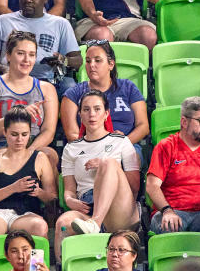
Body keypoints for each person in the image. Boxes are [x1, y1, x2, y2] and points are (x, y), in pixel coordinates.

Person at [54, 90, 141, 258]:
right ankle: (62, 266)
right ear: (80, 114)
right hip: (86, 205)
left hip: (119, 209)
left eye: (97, 109)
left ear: (106, 113)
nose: (91, 114)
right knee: (63, 224)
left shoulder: (121, 142)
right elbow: (69, 190)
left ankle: (95, 222)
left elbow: (134, 186)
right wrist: (70, 200)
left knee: (108, 162)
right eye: (86, 110)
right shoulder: (71, 149)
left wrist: (104, 165)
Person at [0, 0, 81, 96]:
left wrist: (63, 60)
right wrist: (4, 68)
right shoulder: (2, 21)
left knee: (70, 86)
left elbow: (78, 60)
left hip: (47, 81)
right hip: (11, 80)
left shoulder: (60, 24)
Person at [146, 96, 200, 236]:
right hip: (172, 211)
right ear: (184, 122)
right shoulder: (167, 146)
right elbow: (152, 185)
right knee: (168, 225)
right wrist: (167, 210)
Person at [0, 31, 59, 166]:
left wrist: (29, 152)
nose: (27, 60)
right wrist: (20, 114)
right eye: (20, 53)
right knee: (4, 158)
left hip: (33, 145)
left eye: (31, 55)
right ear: (8, 55)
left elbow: (48, 132)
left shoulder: (47, 89)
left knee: (49, 155)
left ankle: (45, 188)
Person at [0, 106, 56, 237]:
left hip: (24, 215)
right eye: (14, 134)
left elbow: (52, 198)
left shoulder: (39, 158)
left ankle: (38, 259)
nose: (20, 140)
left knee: (40, 226)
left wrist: (39, 192)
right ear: (5, 132)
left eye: (24, 134)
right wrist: (14, 188)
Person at [61, 39, 149, 144]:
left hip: (126, 146)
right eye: (88, 61)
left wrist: (122, 144)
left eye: (97, 60)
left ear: (111, 64)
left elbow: (143, 126)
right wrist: (99, 148)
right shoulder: (73, 94)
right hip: (87, 149)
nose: (91, 65)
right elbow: (72, 134)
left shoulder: (128, 87)